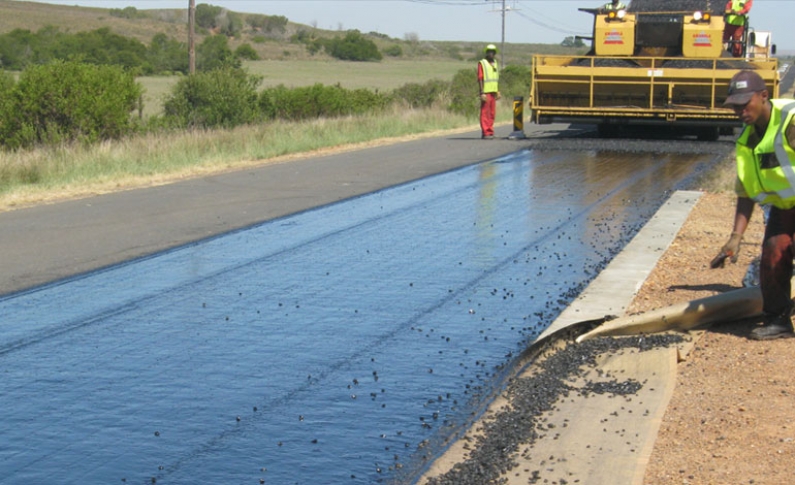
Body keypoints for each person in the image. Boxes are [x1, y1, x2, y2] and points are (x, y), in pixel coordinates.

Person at [712, 69, 795, 340]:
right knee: (772, 254)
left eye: (745, 103)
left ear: (763, 96)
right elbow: (746, 191)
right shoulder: (747, 140)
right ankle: (778, 320)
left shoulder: (790, 122)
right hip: (786, 207)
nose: (740, 111)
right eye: (735, 106)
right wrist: (736, 237)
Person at [478, 44, 500, 139]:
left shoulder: (495, 63)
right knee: (485, 112)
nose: (491, 53)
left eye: (493, 52)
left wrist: (497, 90)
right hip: (486, 92)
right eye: (489, 51)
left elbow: (496, 78)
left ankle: (490, 131)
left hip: (493, 92)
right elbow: (480, 78)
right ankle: (485, 132)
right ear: (487, 52)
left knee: (492, 113)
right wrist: (482, 92)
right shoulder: (482, 63)